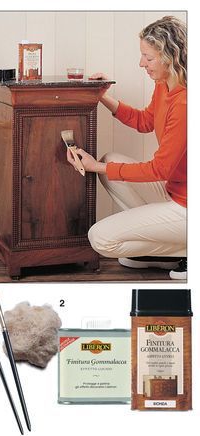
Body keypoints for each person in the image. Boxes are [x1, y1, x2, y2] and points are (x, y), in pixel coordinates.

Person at [67, 16, 187, 280]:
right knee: (111, 161)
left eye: (148, 57)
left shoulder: (186, 103)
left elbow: (159, 168)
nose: (141, 63)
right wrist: (103, 96)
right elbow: (145, 121)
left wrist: (94, 166)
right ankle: (169, 251)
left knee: (99, 238)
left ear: (170, 56)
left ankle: (189, 252)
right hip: (174, 192)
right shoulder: (165, 85)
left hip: (188, 206)